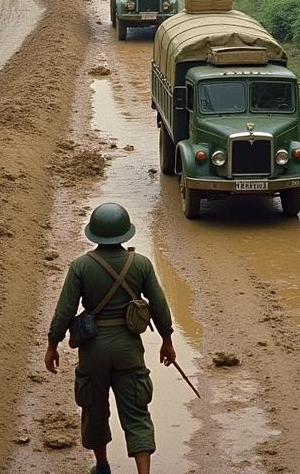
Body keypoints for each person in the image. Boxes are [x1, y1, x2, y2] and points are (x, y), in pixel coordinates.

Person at [45, 202, 176, 474]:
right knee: (137, 413)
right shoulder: (141, 264)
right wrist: (167, 340)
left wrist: (52, 344)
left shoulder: (81, 266)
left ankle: (102, 466)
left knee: (94, 409)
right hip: (129, 348)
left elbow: (65, 309)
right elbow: (160, 305)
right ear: (125, 233)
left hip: (93, 351)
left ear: (94, 233)